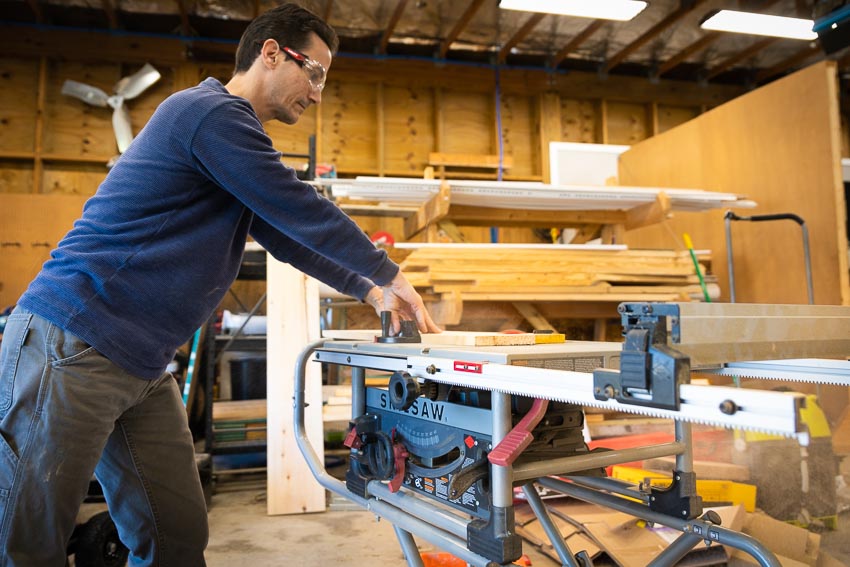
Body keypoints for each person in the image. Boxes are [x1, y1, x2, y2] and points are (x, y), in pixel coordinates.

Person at [0, 4, 440, 565]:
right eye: (315, 73)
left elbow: (287, 236)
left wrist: (370, 290)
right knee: (27, 542)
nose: (318, 94)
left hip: (140, 364)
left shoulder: (233, 145)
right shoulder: (208, 113)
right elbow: (297, 206)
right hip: (75, 340)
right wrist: (387, 271)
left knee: (175, 537)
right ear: (271, 53)